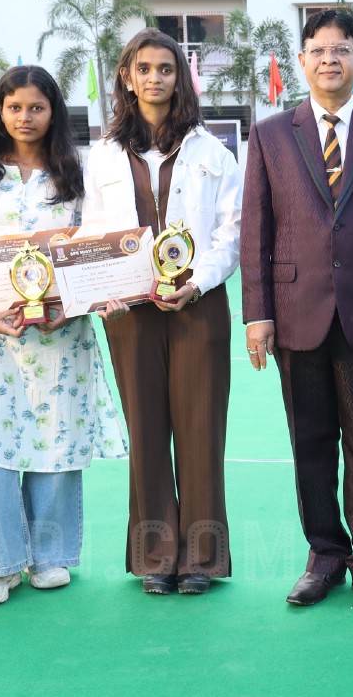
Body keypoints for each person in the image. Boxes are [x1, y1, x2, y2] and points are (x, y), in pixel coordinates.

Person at [241, 9, 353, 608]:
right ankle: (324, 555)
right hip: (297, 312)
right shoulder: (269, 135)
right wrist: (257, 314)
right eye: (318, 50)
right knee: (310, 440)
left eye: (341, 49)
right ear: (302, 61)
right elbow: (256, 231)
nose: (329, 60)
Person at [0, 67, 126, 606]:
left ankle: (49, 556)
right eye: (14, 106)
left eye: (36, 107)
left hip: (60, 332)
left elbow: (92, 246)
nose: (24, 117)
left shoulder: (77, 172)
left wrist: (68, 307)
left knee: (56, 434)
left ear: (54, 112)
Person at [84, 30, 242, 595]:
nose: (155, 78)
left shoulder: (212, 151)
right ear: (126, 76)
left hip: (198, 307)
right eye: (144, 68)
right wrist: (97, 286)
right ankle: (155, 554)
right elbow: (92, 232)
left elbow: (232, 232)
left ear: (181, 79)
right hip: (129, 312)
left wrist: (196, 284)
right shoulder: (101, 154)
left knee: (200, 429)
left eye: (166, 69)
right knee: (146, 430)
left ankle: (200, 558)